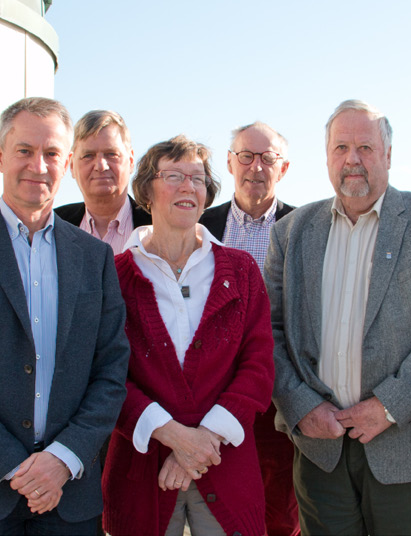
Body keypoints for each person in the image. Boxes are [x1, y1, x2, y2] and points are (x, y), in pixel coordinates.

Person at [0, 97, 130, 535]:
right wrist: (14, 465)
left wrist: (62, 459)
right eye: (24, 151)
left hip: (69, 494)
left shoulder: (95, 258)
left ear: (66, 162)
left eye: (51, 153)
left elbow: (111, 371)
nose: (38, 165)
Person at [266, 100, 411, 535]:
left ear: (389, 155)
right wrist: (301, 407)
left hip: (408, 446)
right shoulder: (291, 232)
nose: (352, 159)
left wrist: (389, 407)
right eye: (341, 147)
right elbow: (269, 331)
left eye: (365, 146)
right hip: (322, 450)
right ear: (326, 157)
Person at [102, 135, 274, 536]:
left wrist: (199, 443)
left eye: (197, 178)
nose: (187, 187)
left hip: (226, 466)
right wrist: (174, 436)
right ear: (147, 189)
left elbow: (259, 365)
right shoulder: (113, 275)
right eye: (173, 176)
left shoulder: (241, 270)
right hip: (141, 474)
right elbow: (105, 373)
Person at [198, 121, 297, 536]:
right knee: (217, 506)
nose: (256, 167)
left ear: (283, 167)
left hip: (280, 394)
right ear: (229, 162)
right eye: (246, 156)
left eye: (267, 158)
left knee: (279, 507)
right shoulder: (200, 225)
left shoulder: (304, 227)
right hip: (212, 391)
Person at [55, 110, 150, 253]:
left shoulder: (157, 225)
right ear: (72, 166)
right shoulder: (54, 226)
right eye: (88, 156)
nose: (100, 166)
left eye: (111, 154)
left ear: (130, 161)